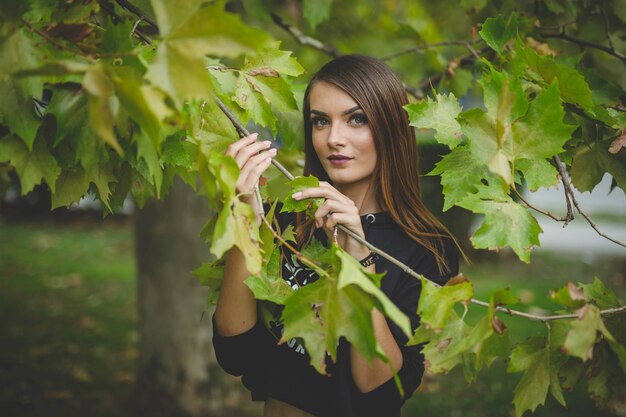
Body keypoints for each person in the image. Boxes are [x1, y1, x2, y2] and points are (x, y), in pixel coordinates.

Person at [212, 54, 459, 417]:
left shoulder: (426, 251)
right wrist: (245, 216)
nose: (333, 139)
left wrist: (361, 261)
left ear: (391, 127)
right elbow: (235, 352)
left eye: (356, 119)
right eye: (320, 121)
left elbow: (381, 393)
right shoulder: (286, 218)